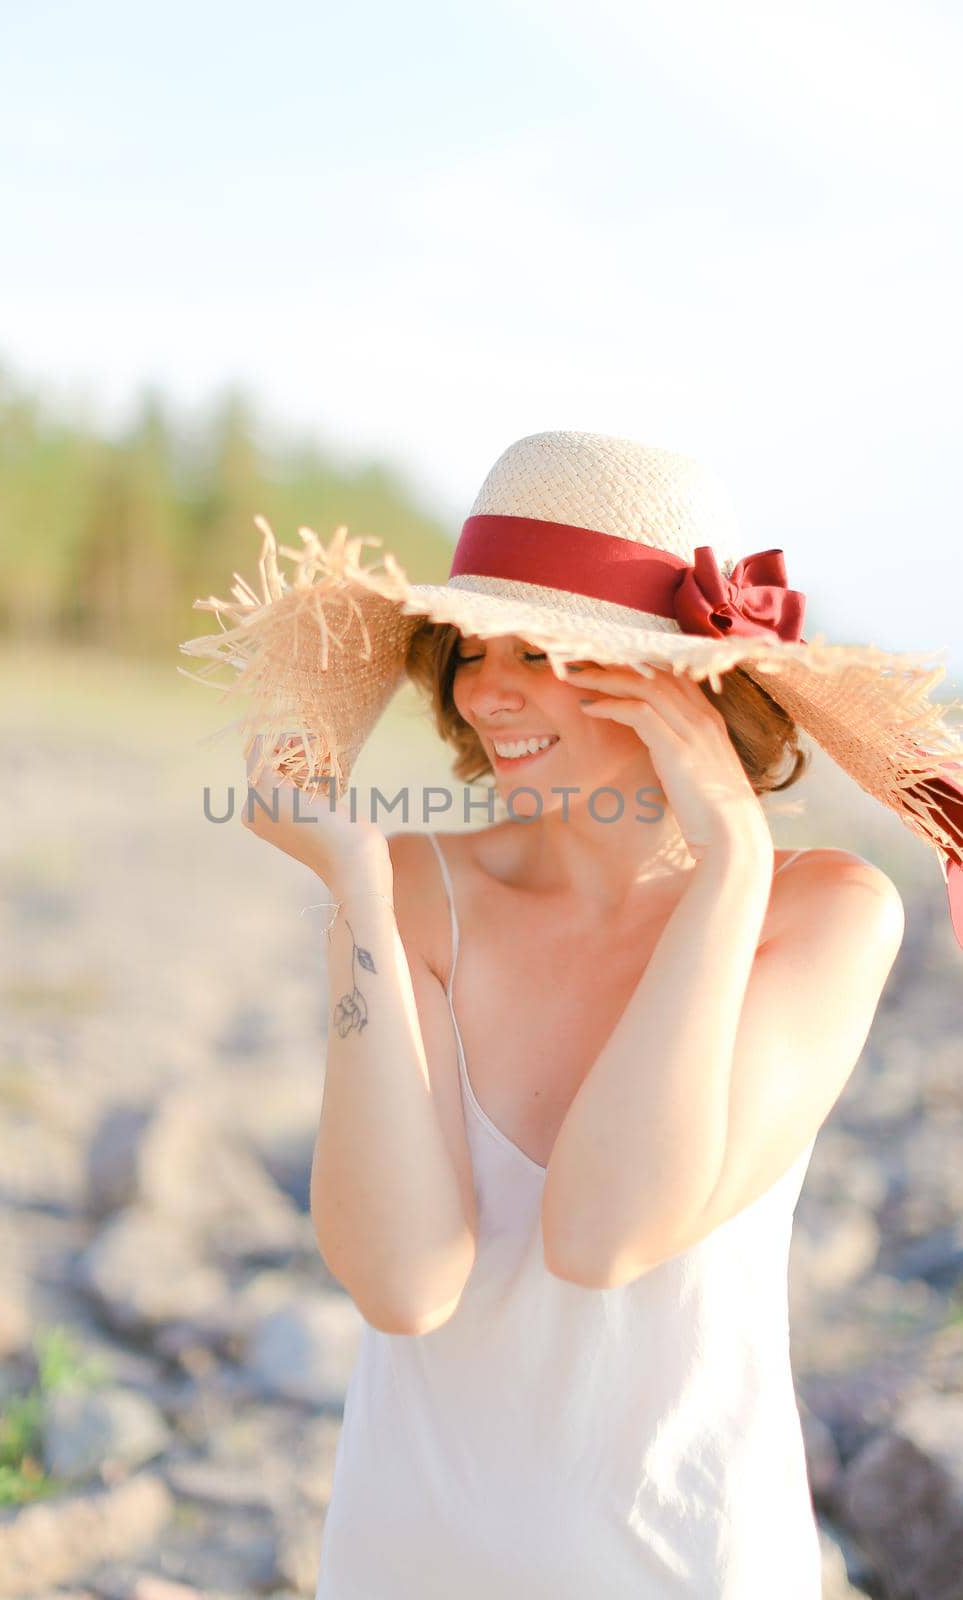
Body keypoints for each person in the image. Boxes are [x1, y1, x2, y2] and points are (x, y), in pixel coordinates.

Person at [180, 431, 963, 1598]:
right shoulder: (412, 888)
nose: (487, 690)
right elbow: (401, 1281)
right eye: (467, 649)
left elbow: (603, 1230)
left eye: (543, 652)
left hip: (687, 1563)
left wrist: (729, 868)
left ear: (680, 681)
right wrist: (351, 884)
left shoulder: (822, 915)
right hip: (403, 1563)